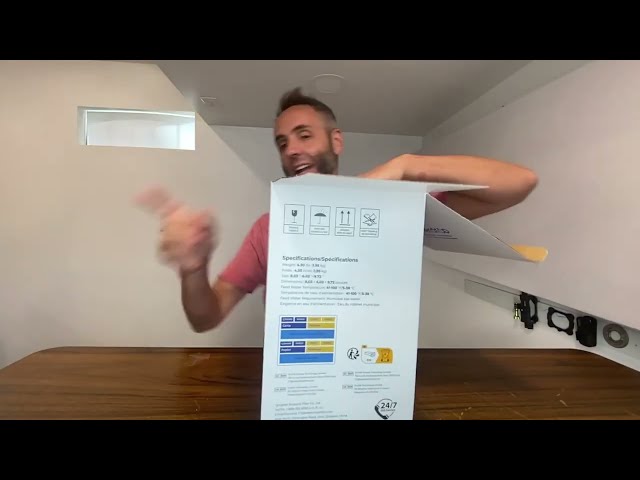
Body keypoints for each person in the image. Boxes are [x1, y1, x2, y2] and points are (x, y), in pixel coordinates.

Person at [137, 87, 538, 333]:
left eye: (304, 135)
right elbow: (205, 318)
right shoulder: (269, 230)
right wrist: (192, 269)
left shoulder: (396, 209)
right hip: (298, 388)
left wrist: (408, 165)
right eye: (282, 143)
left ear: (336, 142)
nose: (292, 150)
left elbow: (518, 183)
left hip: (376, 379)